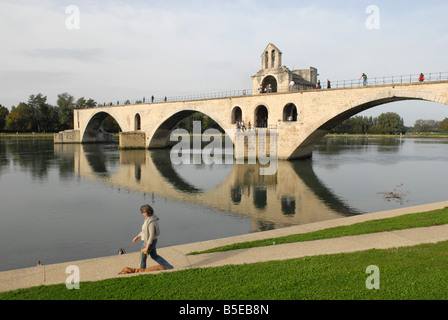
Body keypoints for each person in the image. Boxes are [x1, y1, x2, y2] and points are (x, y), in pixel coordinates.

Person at [132, 204, 173, 269]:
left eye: (142, 212)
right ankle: (169, 267)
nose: (142, 214)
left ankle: (141, 272)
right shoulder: (148, 219)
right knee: (154, 256)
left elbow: (151, 235)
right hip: (152, 241)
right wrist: (137, 236)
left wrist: (147, 247)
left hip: (149, 242)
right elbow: (145, 232)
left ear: (146, 213)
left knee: (142, 257)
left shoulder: (151, 222)